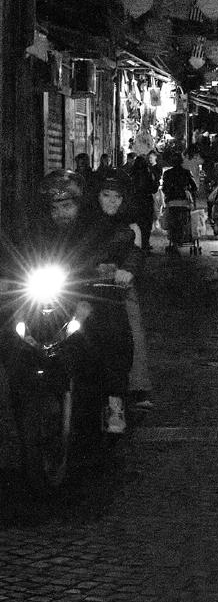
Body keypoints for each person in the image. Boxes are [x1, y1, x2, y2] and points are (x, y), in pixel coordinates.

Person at [26, 169, 135, 434]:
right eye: (54, 208)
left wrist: (119, 268)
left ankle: (114, 401)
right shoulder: (39, 229)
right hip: (57, 297)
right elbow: (23, 252)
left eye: (67, 206)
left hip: (93, 296)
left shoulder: (97, 225)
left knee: (112, 334)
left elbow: (123, 241)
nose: (60, 213)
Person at [81, 171, 153, 412]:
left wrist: (125, 271)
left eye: (117, 196)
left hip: (117, 290)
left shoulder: (130, 227)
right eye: (106, 195)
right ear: (97, 196)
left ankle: (136, 387)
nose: (112, 201)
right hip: (87, 288)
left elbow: (135, 253)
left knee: (131, 330)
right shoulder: (85, 224)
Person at [161, 149, 198, 254]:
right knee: (186, 220)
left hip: (171, 202)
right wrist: (188, 191)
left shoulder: (167, 173)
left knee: (171, 221)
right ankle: (183, 237)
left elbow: (164, 188)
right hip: (184, 203)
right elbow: (194, 187)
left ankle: (174, 240)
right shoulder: (186, 172)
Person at [130, 150, 162, 254]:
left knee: (137, 223)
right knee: (146, 224)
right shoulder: (148, 174)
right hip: (146, 201)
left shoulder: (132, 175)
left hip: (135, 201)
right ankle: (145, 244)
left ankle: (137, 244)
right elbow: (154, 188)